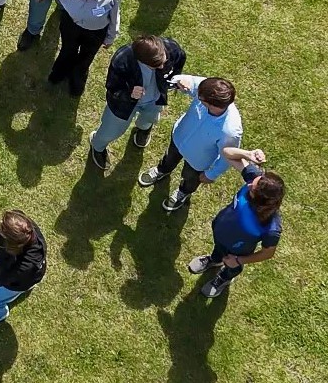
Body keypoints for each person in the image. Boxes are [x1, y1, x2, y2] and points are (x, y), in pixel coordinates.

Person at [138, 76, 266, 212]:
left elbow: (227, 156)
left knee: (190, 178)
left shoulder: (230, 130)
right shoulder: (209, 89)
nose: (197, 96)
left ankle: (183, 192)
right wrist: (179, 81)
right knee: (169, 158)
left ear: (212, 105)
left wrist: (211, 174)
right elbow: (192, 82)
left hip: (198, 160)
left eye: (201, 99)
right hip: (179, 138)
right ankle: (162, 170)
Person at [86, 34, 190, 172]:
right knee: (110, 131)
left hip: (154, 100)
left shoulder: (172, 48)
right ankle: (97, 146)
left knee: (149, 119)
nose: (163, 66)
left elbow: (179, 60)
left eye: (164, 61)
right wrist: (129, 93)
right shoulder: (122, 59)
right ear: (142, 61)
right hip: (123, 105)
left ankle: (143, 129)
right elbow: (112, 87)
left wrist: (177, 79)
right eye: (156, 66)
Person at [188, 165, 285, 298]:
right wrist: (247, 154)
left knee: (231, 266)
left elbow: (268, 253)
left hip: (237, 251)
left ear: (260, 200)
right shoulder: (256, 179)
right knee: (218, 250)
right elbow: (229, 153)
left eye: (253, 187)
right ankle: (214, 260)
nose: (249, 183)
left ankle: (224, 278)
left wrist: (238, 260)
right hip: (221, 234)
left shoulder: (271, 227)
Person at [44, 0, 123, 96]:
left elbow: (115, 16)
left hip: (96, 32)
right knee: (67, 50)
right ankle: (59, 73)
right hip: (71, 26)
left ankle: (76, 81)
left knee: (86, 57)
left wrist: (110, 37)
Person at [0, 210, 47, 330]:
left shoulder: (22, 268)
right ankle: (25, 288)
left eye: (2, 229)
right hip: (32, 274)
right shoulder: (26, 228)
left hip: (21, 281)